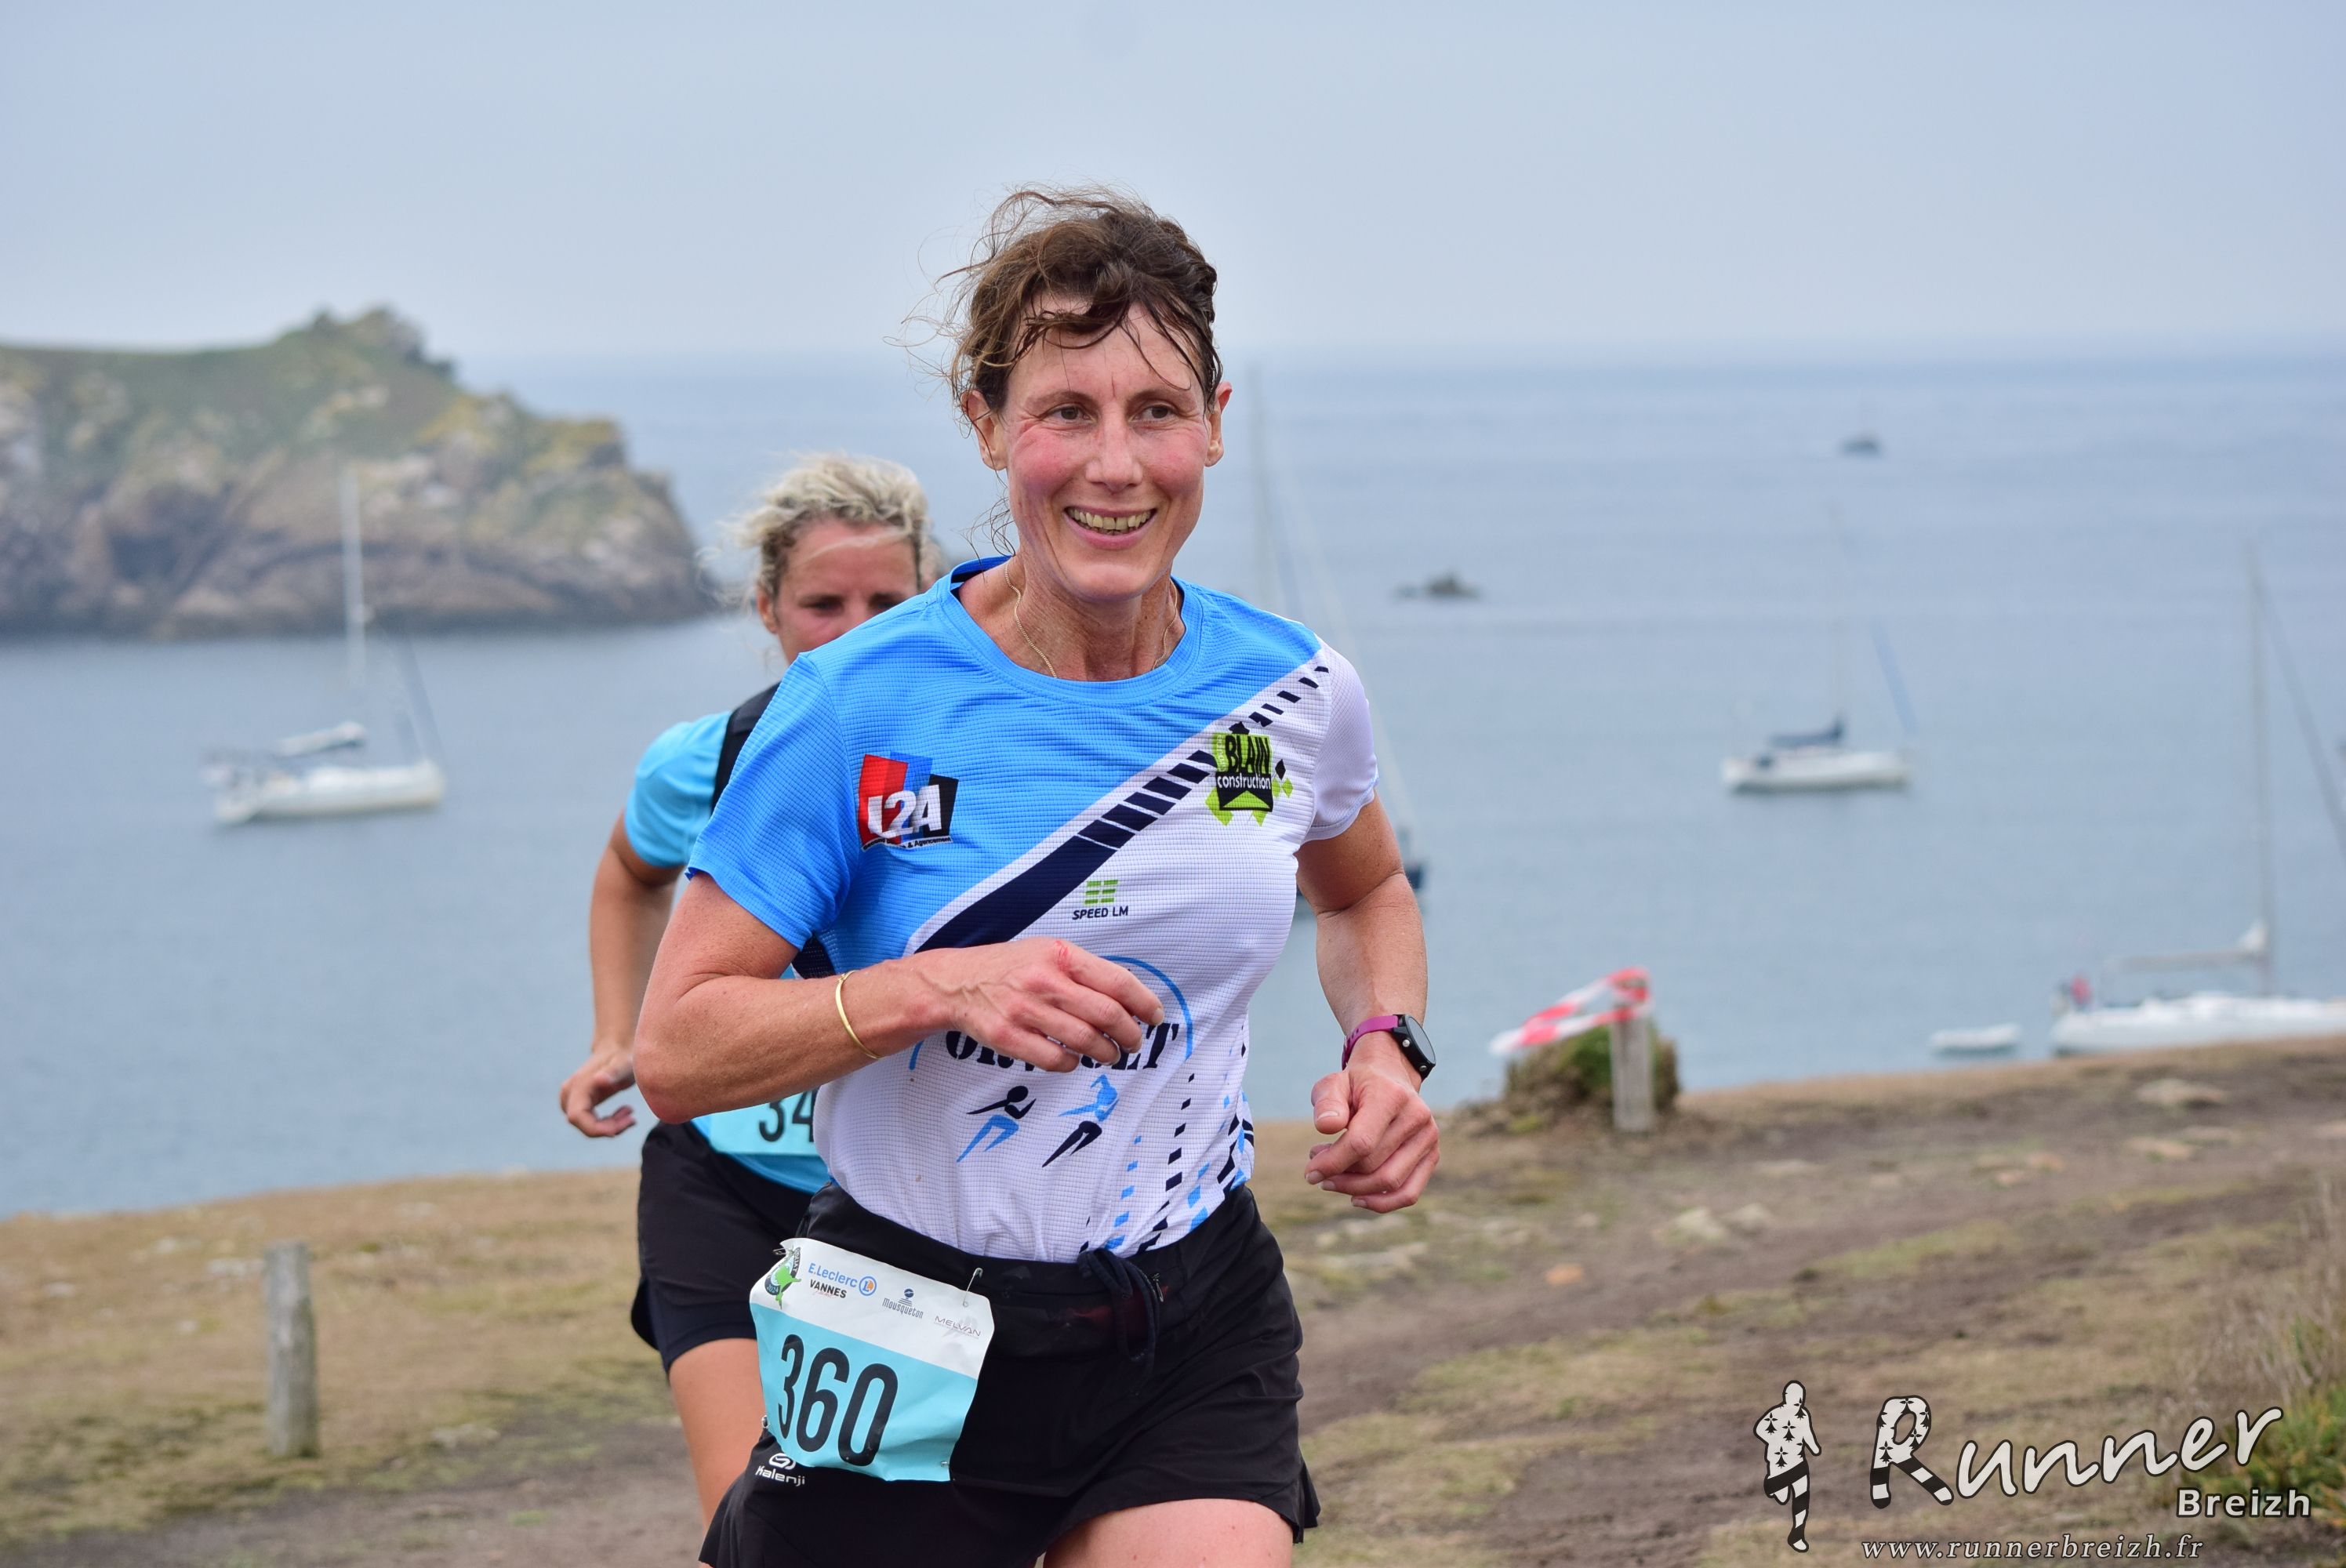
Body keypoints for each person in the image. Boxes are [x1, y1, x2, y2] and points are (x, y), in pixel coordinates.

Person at [637, 188, 1440, 1568]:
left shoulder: (1295, 691)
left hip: (1189, 1322)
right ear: (988, 424)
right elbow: (677, 1053)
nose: (1115, 466)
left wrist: (1385, 1047)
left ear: (1216, 423)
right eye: (1067, 410)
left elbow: (1364, 893)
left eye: (1157, 411)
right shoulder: (849, 707)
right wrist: (936, 987)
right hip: (904, 1321)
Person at [558, 452, 940, 1523]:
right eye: (823, 604)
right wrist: (618, 1035)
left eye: (887, 602)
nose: (854, 630)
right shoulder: (700, 762)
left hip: (905, 1202)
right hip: (719, 1188)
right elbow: (628, 873)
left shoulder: (983, 766)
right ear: (767, 609)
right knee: (753, 1524)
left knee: (890, 1526)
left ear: (933, 602)